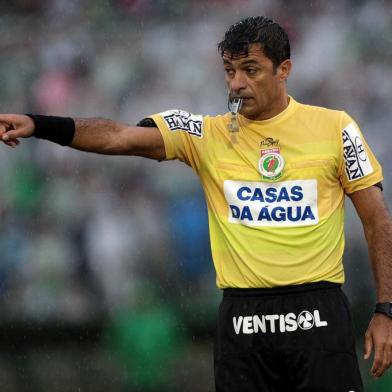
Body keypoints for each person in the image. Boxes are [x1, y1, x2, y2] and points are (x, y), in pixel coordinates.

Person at [1, 15, 392, 391]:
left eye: (250, 70)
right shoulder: (207, 134)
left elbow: (377, 220)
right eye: (229, 70)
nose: (236, 83)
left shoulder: (334, 128)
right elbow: (117, 136)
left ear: (283, 69)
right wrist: (41, 125)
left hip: (318, 313)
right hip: (243, 320)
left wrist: (385, 310)